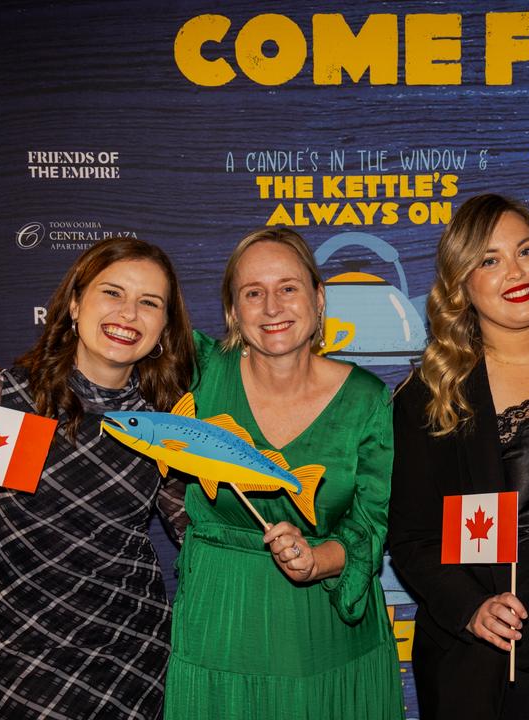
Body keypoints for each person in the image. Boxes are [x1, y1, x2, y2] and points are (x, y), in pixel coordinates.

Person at [162, 228, 402, 719]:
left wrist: (318, 559)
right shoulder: (198, 369)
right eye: (253, 293)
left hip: (325, 632)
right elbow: (110, 354)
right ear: (233, 310)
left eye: (288, 288)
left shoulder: (367, 400)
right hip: (221, 621)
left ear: (318, 299)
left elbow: (371, 524)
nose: (272, 307)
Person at [0, 237, 194, 718]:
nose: (129, 313)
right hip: (28, 653)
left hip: (136, 650)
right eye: (112, 293)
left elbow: (194, 532)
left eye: (149, 303)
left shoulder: (162, 422)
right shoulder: (9, 401)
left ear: (164, 327)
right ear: (73, 304)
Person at [389, 194, 529, 719]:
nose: (515, 272)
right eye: (489, 260)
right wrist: (471, 608)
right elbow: (412, 538)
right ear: (461, 284)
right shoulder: (432, 395)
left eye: (526, 251)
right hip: (500, 651)